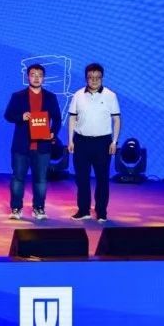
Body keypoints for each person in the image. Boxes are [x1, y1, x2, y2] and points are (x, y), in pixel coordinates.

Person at [3, 64, 62, 221]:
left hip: (42, 146)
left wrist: (53, 132)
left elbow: (57, 119)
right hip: (21, 146)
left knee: (41, 179)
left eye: (39, 75)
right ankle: (16, 208)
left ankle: (39, 208)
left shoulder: (50, 97)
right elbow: (8, 115)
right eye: (33, 74)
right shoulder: (18, 96)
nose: (36, 78)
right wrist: (21, 117)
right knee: (18, 178)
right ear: (27, 77)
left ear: (44, 78)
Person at [66, 63, 121, 223]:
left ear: (102, 78)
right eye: (91, 77)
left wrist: (114, 141)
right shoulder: (78, 95)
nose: (94, 80)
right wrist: (70, 140)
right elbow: (72, 118)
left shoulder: (110, 95)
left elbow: (116, 120)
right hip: (81, 142)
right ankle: (83, 210)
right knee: (81, 178)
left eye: (98, 77)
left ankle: (101, 212)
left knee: (102, 178)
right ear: (86, 78)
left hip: (103, 143)